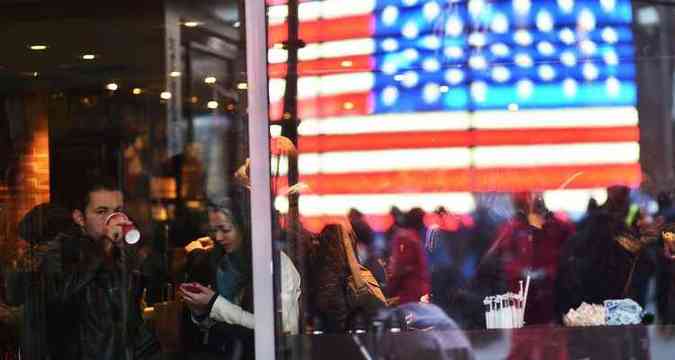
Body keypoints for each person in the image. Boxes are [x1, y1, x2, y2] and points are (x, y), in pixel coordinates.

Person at [179, 202, 301, 359]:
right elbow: (221, 321)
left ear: (245, 227)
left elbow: (282, 328)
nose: (218, 237)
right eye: (214, 230)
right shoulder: (223, 263)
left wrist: (214, 303)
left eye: (225, 229)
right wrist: (200, 312)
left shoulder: (277, 265)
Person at [58, 176, 161, 360]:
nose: (112, 219)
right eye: (101, 211)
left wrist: (134, 252)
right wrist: (104, 246)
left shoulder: (119, 252)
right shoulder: (64, 253)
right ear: (79, 218)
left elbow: (134, 314)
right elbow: (62, 300)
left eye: (118, 211)